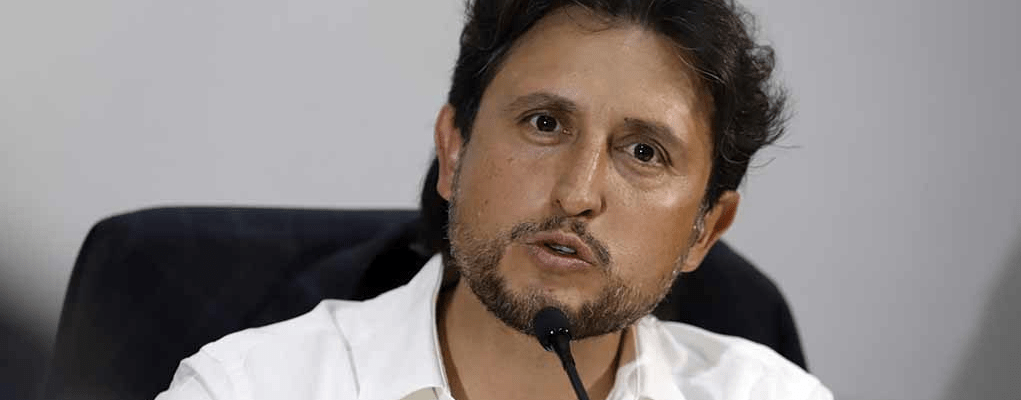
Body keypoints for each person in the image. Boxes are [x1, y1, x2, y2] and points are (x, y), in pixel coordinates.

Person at [157, 1, 833, 399]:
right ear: (453, 151)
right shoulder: (248, 388)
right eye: (544, 123)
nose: (577, 193)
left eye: (644, 153)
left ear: (705, 230)